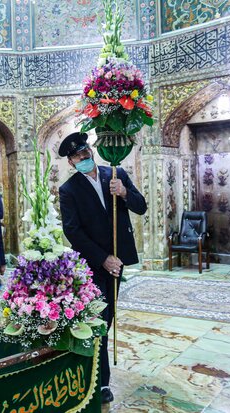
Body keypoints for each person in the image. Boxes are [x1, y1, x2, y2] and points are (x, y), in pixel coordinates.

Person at [58, 132, 147, 404]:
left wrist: (124, 192)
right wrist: (103, 258)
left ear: (91, 150)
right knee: (99, 321)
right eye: (77, 156)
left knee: (107, 319)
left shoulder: (116, 173)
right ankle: (101, 381)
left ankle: (98, 374)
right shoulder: (69, 190)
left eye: (85, 151)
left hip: (118, 261)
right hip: (94, 264)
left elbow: (141, 206)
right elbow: (73, 231)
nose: (83, 157)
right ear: (71, 162)